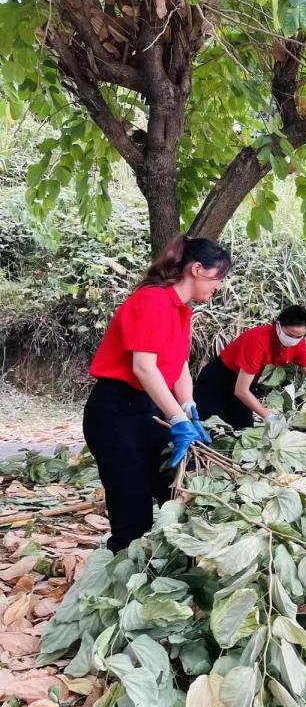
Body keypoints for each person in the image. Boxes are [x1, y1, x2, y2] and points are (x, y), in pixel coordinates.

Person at [83, 235, 231, 552]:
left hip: (148, 409)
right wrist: (177, 418)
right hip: (115, 413)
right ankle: (119, 583)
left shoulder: (183, 312)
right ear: (197, 269)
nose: (218, 287)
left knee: (177, 496)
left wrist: (188, 405)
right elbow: (144, 368)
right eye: (218, 278)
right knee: (133, 518)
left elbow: (178, 367)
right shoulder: (152, 301)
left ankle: (166, 574)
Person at [194, 305, 306, 430]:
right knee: (211, 428)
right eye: (290, 335)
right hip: (218, 381)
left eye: (299, 336)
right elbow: (241, 391)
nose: (293, 340)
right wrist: (268, 416)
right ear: (278, 325)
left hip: (248, 382)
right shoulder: (257, 340)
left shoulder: (298, 343)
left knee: (244, 430)